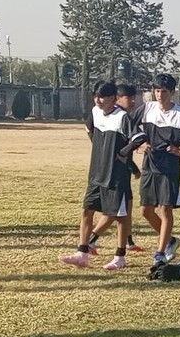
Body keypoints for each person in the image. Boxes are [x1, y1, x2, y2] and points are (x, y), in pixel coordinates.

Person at [62, 82, 147, 270]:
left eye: (102, 97)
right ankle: (82, 253)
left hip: (116, 175)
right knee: (87, 211)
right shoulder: (94, 112)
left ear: (113, 98)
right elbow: (89, 130)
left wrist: (123, 153)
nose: (97, 100)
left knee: (119, 215)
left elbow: (139, 137)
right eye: (95, 96)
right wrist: (100, 148)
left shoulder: (122, 117)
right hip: (96, 173)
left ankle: (120, 257)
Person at [136, 74, 180, 264]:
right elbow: (127, 125)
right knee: (146, 211)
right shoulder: (147, 108)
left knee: (165, 210)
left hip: (169, 168)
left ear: (171, 92)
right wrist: (139, 145)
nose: (159, 95)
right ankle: (171, 240)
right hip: (149, 167)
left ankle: (160, 253)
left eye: (163, 91)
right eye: (156, 91)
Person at [115, 83, 147, 253]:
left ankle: (129, 241)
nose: (133, 101)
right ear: (118, 98)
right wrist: (132, 166)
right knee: (115, 210)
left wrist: (132, 165)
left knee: (127, 204)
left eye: (135, 97)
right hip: (115, 170)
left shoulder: (128, 116)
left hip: (124, 169)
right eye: (129, 98)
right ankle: (90, 241)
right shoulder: (118, 117)